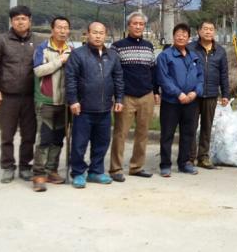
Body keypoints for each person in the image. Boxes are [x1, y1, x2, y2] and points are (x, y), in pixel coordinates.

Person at [65, 21, 124, 189]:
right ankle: (77, 172)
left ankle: (96, 171)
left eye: (101, 33)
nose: (98, 36)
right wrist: (73, 100)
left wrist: (119, 99)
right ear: (87, 34)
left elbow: (118, 78)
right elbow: (71, 79)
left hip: (105, 108)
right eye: (94, 32)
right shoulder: (78, 54)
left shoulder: (112, 55)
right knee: (79, 143)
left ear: (106, 35)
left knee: (102, 142)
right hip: (83, 108)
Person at [0, 5, 37, 183]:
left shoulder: (37, 41)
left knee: (29, 135)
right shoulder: (1, 40)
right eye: (16, 19)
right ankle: (8, 167)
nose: (20, 22)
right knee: (7, 134)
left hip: (31, 96)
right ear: (11, 21)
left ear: (30, 20)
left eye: (24, 18)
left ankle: (25, 166)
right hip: (7, 96)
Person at [108, 12, 159, 182]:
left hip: (146, 95)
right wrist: (116, 96)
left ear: (144, 27)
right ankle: (115, 168)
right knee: (120, 133)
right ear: (128, 25)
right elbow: (113, 73)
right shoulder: (117, 47)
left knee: (142, 133)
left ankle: (136, 167)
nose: (138, 26)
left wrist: (156, 92)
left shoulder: (149, 46)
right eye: (134, 23)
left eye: (141, 24)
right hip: (126, 97)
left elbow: (153, 70)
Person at [31, 16, 73, 192]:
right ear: (52, 29)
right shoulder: (43, 48)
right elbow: (38, 70)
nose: (63, 31)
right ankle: (38, 174)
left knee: (58, 139)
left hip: (64, 103)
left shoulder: (72, 49)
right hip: (46, 101)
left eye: (66, 28)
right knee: (44, 139)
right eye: (59, 27)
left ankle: (52, 170)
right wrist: (60, 61)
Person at [156, 23, 204, 177]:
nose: (181, 36)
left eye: (185, 34)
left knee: (188, 133)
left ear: (189, 38)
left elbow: (200, 78)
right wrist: (178, 94)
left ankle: (184, 163)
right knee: (167, 134)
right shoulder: (165, 55)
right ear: (173, 36)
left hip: (191, 102)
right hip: (171, 102)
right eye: (178, 33)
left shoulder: (194, 56)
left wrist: (195, 93)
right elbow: (163, 78)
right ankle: (165, 164)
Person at [187, 21, 230, 169]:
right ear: (199, 31)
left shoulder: (220, 51)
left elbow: (224, 74)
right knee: (191, 126)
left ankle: (203, 157)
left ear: (214, 32)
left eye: (211, 29)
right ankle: (189, 157)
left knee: (207, 126)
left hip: (211, 94)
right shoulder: (190, 48)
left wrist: (225, 94)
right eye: (205, 29)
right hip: (193, 94)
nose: (208, 32)